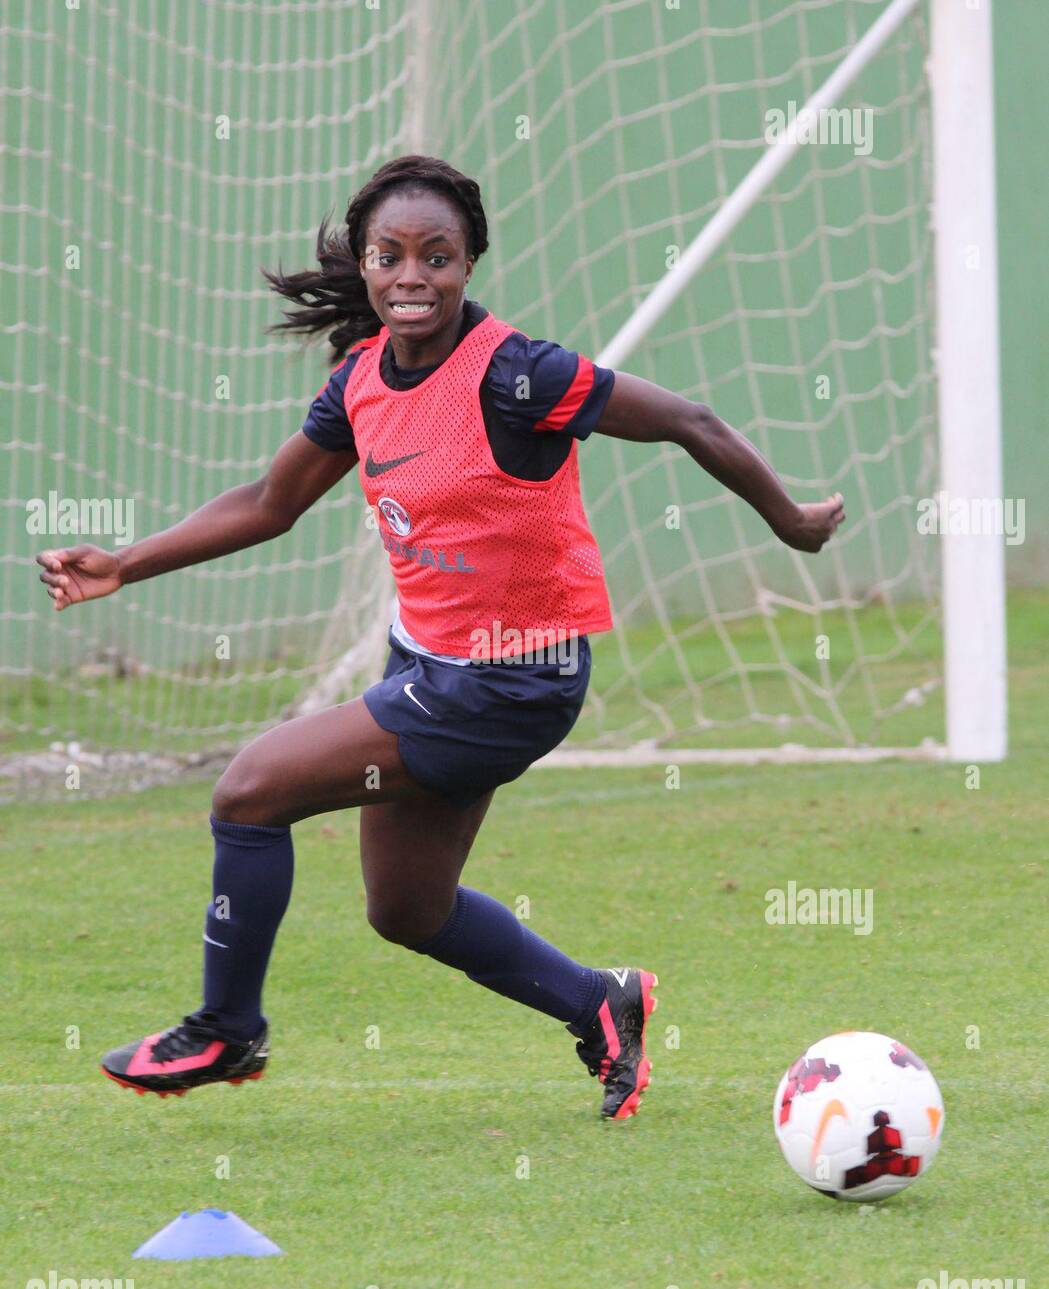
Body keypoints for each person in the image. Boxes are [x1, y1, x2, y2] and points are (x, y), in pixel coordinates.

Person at [36, 155, 844, 1120]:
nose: (411, 276)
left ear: (470, 263)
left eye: (436, 256)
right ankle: (602, 1000)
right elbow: (267, 502)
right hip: (429, 662)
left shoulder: (519, 374)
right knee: (407, 909)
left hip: (512, 680)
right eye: (390, 256)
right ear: (367, 266)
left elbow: (688, 419)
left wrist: (789, 520)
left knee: (250, 792)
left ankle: (225, 1030)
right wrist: (127, 562)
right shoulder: (361, 380)